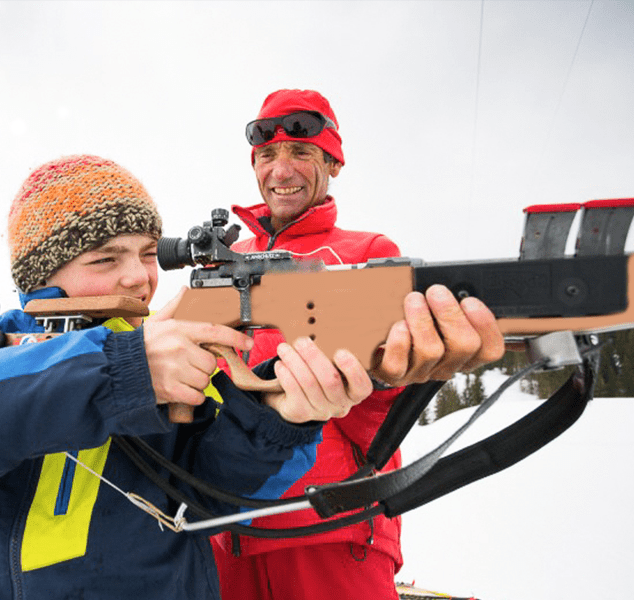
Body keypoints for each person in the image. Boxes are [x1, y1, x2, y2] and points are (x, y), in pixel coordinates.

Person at [0, 155, 376, 600]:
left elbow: (217, 498)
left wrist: (281, 416)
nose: (138, 277)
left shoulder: (176, 348)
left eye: (147, 254)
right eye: (104, 258)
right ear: (41, 273)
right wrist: (120, 369)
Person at [211, 90, 505, 600]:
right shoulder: (223, 262)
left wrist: (394, 377)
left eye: (301, 153)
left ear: (333, 162)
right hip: (223, 532)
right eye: (267, 156)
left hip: (330, 525)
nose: (281, 170)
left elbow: (379, 419)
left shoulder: (366, 254)